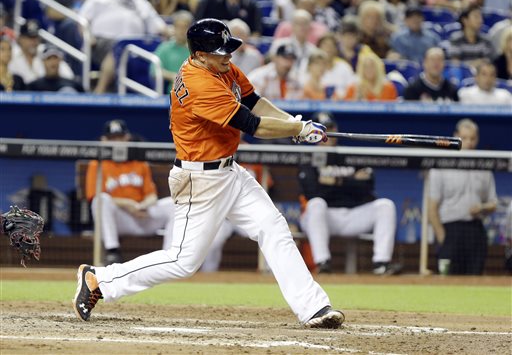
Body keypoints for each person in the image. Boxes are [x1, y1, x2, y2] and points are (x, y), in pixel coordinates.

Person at [73, 18, 344, 329]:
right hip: (200, 180)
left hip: (229, 171)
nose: (227, 56)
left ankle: (313, 308)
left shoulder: (222, 67)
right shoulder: (198, 83)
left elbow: (255, 103)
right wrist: (297, 129)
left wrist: (296, 125)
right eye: (220, 52)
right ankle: (100, 279)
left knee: (273, 227)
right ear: (199, 54)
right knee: (183, 261)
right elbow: (252, 125)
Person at [298, 111, 401, 275]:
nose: (327, 134)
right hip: (324, 217)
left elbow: (366, 187)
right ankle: (323, 262)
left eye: (330, 128)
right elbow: (312, 192)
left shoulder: (350, 154)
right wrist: (351, 181)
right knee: (317, 204)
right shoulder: (309, 158)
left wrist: (335, 181)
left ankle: (381, 263)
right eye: (322, 130)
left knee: (385, 206)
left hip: (353, 215)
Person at [84, 119, 175, 265]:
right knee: (100, 200)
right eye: (112, 138)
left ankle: (170, 256)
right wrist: (128, 204)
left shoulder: (139, 163)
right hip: (119, 221)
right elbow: (94, 197)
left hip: (143, 216)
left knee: (173, 204)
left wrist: (142, 206)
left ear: (128, 138)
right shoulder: (97, 165)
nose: (117, 142)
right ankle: (112, 251)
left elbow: (151, 196)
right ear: (104, 140)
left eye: (120, 137)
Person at [428, 118, 497, 275]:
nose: (469, 143)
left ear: (477, 139)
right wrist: (443, 238)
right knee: (447, 283)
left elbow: (493, 203)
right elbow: (432, 208)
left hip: (475, 229)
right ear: (455, 136)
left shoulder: (484, 166)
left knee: (475, 281)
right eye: (464, 138)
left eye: (472, 139)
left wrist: (482, 207)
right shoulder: (441, 164)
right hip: (450, 229)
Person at [78, 0, 171, 93]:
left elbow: (159, 27)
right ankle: (100, 91)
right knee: (118, 48)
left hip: (135, 46)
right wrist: (88, 37)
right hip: (102, 42)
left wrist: (169, 31)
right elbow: (82, 21)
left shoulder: (141, 3)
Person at [8, 20, 74, 85]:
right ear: (20, 39)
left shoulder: (47, 53)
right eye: (29, 38)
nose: (33, 42)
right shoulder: (11, 54)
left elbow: (68, 76)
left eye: (35, 37)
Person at [194, 0, 262, 36]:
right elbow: (197, 26)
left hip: (241, 47)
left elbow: (257, 33)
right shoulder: (208, 2)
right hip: (212, 43)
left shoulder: (251, 5)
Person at [152, 10, 193, 94]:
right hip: (174, 94)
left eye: (185, 27)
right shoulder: (165, 48)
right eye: (179, 27)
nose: (182, 31)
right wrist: (172, 76)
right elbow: (154, 70)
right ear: (174, 28)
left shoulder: (197, 50)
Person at [316, 33, 355, 99]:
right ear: (319, 48)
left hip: (342, 104)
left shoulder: (344, 67)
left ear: (336, 49)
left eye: (331, 46)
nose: (328, 49)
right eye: (325, 45)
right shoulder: (312, 67)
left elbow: (352, 87)